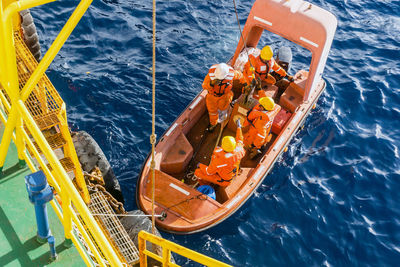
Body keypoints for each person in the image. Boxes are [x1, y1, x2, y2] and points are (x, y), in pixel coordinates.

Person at [194, 120, 245, 187]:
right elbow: (240, 140)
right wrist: (239, 127)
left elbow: (208, 172)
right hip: (231, 172)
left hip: (224, 180)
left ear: (223, 146)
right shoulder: (239, 150)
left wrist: (200, 165)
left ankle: (205, 185)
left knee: (197, 172)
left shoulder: (220, 161)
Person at [202, 63, 244, 132]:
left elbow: (240, 76)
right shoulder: (210, 76)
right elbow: (204, 86)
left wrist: (245, 83)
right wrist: (211, 84)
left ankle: (223, 117)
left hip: (225, 96)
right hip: (212, 97)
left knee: (223, 108)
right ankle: (213, 124)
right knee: (212, 112)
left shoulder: (232, 74)